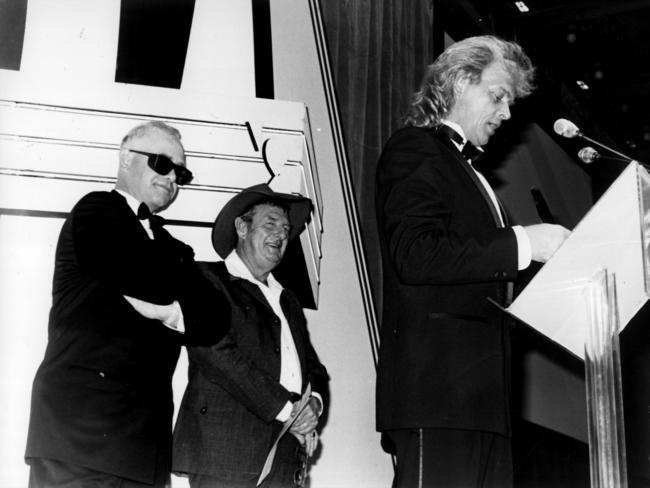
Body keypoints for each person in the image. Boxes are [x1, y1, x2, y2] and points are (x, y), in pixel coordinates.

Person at [375, 35, 570, 488]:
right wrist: (525, 242)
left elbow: (478, 274)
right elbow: (416, 254)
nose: (506, 114)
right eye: (498, 96)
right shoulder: (415, 148)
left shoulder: (471, 173)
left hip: (484, 402)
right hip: (438, 394)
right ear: (461, 82)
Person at [24, 121, 231, 487]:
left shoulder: (176, 249)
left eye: (180, 172)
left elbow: (217, 317)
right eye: (161, 163)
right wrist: (182, 300)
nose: (172, 178)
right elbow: (143, 277)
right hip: (81, 435)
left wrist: (169, 312)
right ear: (125, 159)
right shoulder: (97, 210)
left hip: (144, 448)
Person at [171, 183, 329, 487]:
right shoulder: (205, 279)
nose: (282, 234)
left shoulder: (288, 299)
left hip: (285, 454)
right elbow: (217, 355)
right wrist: (288, 411)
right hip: (226, 456)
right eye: (270, 224)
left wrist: (314, 404)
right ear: (241, 228)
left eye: (285, 228)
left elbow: (313, 366)